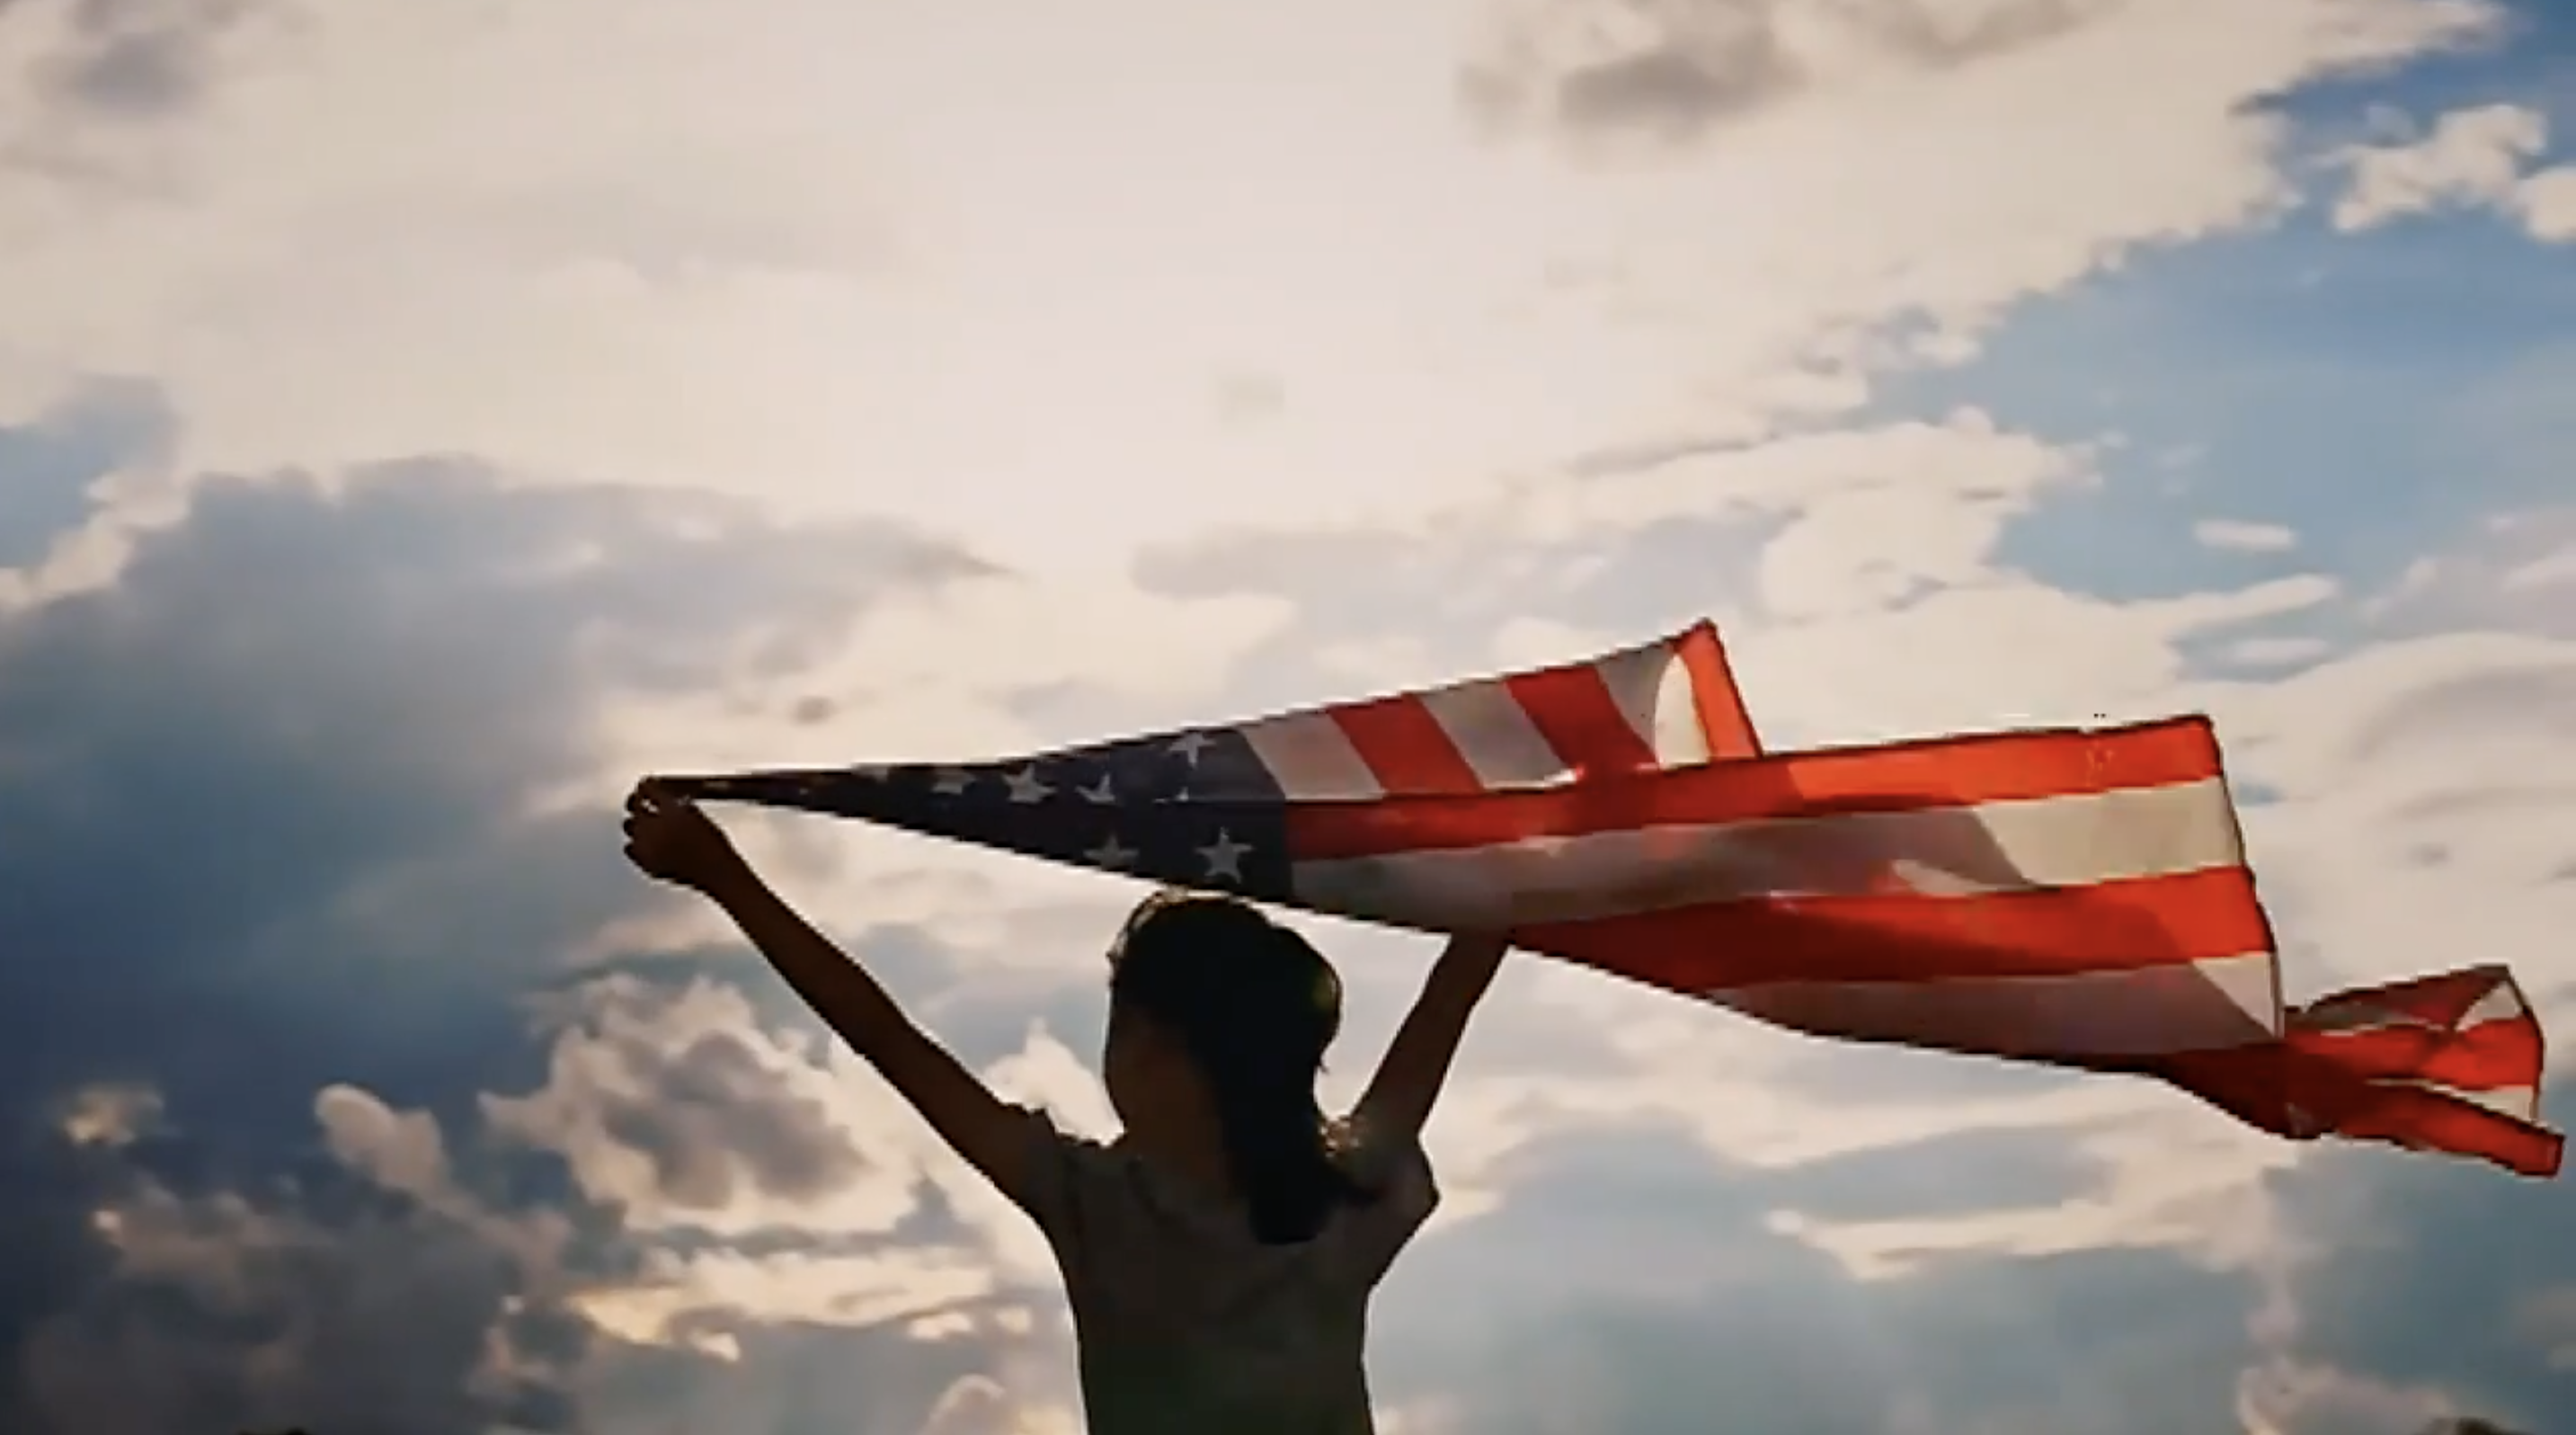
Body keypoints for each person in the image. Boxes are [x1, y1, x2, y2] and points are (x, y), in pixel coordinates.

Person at [619, 779, 1510, 1434]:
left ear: (1180, 1060)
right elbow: (1448, 1003)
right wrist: (1539, 872)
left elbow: (883, 1038)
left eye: (1130, 1033)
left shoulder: (1096, 1202)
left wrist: (727, 878)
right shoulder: (1335, 1201)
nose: (1115, 1058)